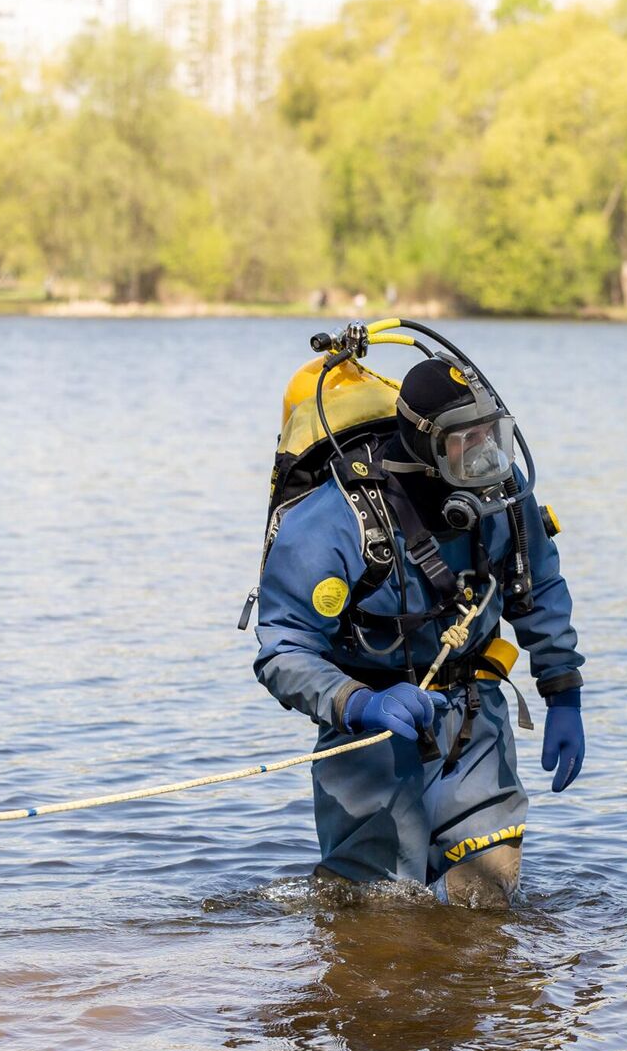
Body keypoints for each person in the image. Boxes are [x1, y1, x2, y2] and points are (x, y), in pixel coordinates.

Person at [251, 353, 585, 907]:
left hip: (474, 720)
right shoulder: (333, 520)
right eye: (465, 438)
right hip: (372, 738)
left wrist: (564, 691)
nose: (483, 451)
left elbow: (539, 589)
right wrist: (356, 704)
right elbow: (282, 649)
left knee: (489, 899)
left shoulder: (501, 491)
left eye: (491, 432)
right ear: (426, 443)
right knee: (376, 916)